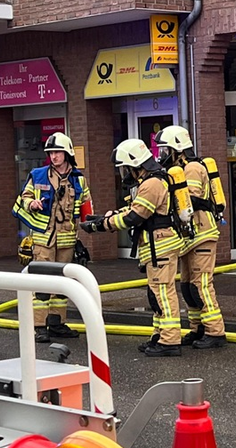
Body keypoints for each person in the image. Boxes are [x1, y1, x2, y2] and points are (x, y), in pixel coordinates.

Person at [82, 138, 184, 357]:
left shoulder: (151, 184)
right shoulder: (150, 182)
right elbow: (133, 209)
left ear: (135, 165)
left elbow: (134, 217)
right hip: (157, 247)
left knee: (163, 295)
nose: (125, 173)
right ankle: (160, 336)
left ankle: (169, 341)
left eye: (125, 167)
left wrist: (101, 225)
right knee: (156, 294)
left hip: (161, 247)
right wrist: (104, 217)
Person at [12, 132, 92, 343]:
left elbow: (86, 207)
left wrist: (93, 225)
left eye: (57, 152)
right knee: (42, 284)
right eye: (51, 153)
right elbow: (24, 197)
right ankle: (39, 325)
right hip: (43, 240)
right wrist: (32, 204)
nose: (54, 156)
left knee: (62, 284)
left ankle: (57, 323)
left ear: (67, 153)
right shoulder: (38, 175)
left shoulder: (78, 179)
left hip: (67, 241)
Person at [154, 125, 227, 349]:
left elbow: (190, 200)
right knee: (187, 286)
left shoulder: (193, 168)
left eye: (165, 149)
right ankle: (198, 329)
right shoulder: (178, 169)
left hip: (202, 234)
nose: (161, 154)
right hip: (189, 237)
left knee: (201, 285)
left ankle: (215, 333)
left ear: (177, 148)